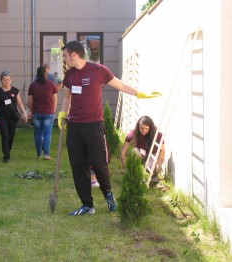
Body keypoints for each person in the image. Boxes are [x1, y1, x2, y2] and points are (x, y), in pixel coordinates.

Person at [58, 41, 161, 216]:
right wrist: (62, 114)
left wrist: (140, 93)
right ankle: (87, 204)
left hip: (94, 125)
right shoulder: (70, 75)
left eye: (65, 55)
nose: (64, 59)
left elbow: (120, 85)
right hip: (75, 126)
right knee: (78, 164)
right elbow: (67, 97)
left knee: (98, 162)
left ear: (74, 54)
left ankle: (108, 194)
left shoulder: (98, 70)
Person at [0, 71, 27, 163]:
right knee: (5, 134)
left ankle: (8, 150)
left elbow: (19, 103)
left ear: (11, 80)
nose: (7, 82)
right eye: (5, 80)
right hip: (2, 116)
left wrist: (24, 113)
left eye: (8, 80)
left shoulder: (15, 90)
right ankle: (6, 155)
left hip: (13, 116)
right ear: (1, 80)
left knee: (11, 135)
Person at [121, 115, 165, 183]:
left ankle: (154, 176)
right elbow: (123, 152)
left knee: (149, 166)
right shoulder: (133, 134)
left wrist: (159, 162)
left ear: (150, 128)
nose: (143, 131)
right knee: (133, 152)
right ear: (138, 126)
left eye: (146, 128)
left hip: (152, 154)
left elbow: (163, 150)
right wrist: (125, 167)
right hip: (141, 154)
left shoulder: (158, 135)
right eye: (141, 128)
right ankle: (134, 175)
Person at [28, 66, 58, 160]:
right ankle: (46, 154)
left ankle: (38, 154)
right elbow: (55, 100)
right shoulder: (51, 84)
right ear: (46, 74)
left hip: (37, 112)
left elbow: (29, 101)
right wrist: (53, 109)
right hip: (49, 112)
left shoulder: (32, 85)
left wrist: (32, 111)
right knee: (47, 134)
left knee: (37, 134)